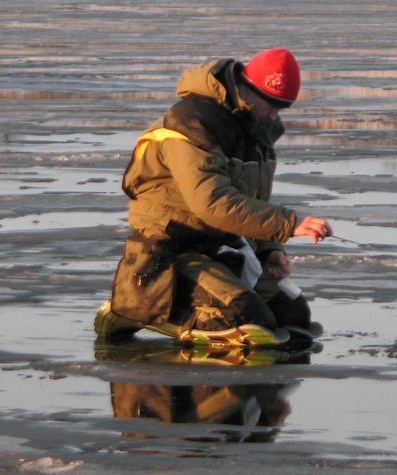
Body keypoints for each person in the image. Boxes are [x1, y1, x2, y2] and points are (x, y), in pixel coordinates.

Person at [95, 48, 332, 342]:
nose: (274, 114)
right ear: (248, 88)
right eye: (270, 104)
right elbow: (213, 204)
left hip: (220, 241)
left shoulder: (258, 130)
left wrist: (268, 249)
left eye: (282, 107)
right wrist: (289, 223)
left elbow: (252, 200)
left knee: (295, 316)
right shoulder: (193, 122)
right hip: (173, 245)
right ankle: (131, 308)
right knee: (248, 318)